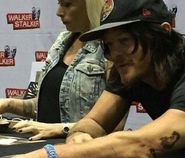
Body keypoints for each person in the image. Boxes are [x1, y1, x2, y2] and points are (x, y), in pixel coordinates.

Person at [1, 0, 185, 158]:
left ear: (163, 33)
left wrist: (48, 156)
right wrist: (80, 138)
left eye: (125, 41)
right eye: (109, 45)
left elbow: (143, 145)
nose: (116, 54)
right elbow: (93, 122)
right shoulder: (133, 67)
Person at [0, 0, 106, 140]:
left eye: (67, 4)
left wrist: (61, 129)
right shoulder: (63, 40)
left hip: (80, 152)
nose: (58, 12)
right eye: (59, 4)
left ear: (91, 6)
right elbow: (49, 105)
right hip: (41, 148)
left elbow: (111, 126)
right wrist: (8, 104)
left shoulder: (110, 49)